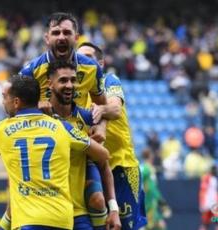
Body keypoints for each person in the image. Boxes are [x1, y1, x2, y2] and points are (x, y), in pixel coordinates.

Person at [0, 76, 110, 230]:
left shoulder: (3, 129)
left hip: (28, 220)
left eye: (5, 97)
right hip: (62, 219)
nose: (3, 101)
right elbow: (103, 154)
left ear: (16, 102)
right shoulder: (62, 127)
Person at [78, 42, 147, 230]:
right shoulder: (76, 91)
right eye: (79, 58)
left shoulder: (109, 80)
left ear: (100, 63)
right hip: (92, 169)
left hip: (122, 166)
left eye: (88, 57)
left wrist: (101, 109)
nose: (82, 61)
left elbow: (115, 108)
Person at [46, 60, 121, 229]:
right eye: (63, 80)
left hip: (78, 212)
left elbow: (104, 165)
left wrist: (114, 209)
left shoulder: (88, 118)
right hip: (46, 212)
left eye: (73, 80)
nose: (70, 85)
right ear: (50, 84)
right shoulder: (38, 118)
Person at [19, 12, 107, 110]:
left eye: (67, 32)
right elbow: (17, 109)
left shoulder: (92, 68)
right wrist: (36, 107)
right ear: (47, 38)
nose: (61, 37)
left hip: (79, 124)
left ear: (76, 38)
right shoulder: (30, 71)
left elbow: (101, 105)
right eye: (56, 33)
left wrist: (101, 124)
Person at [140, 149, 171, 230]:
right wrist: (162, 203)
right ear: (151, 157)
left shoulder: (142, 167)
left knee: (160, 225)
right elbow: (152, 187)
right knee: (152, 225)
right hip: (149, 201)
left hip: (146, 200)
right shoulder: (148, 169)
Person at [199, 165, 218, 230]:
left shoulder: (205, 178)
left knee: (205, 224)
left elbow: (203, 192)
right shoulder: (212, 179)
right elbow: (213, 193)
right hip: (214, 204)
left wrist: (202, 203)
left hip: (206, 204)